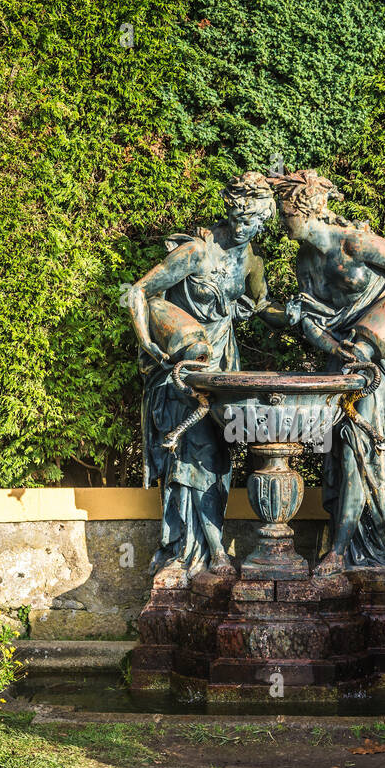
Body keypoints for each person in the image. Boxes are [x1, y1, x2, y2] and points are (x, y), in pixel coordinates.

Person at [270, 169, 385, 577]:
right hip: (342, 359)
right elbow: (312, 321)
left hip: (378, 357)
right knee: (341, 454)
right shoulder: (303, 260)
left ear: (308, 209)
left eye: (286, 212)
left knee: (361, 449)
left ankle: (346, 551)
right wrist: (323, 340)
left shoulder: (355, 242)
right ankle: (343, 544)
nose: (281, 220)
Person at [126, 172, 276, 584]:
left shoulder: (252, 260)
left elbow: (263, 307)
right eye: (245, 219)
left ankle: (210, 547)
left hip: (225, 365)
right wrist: (153, 344)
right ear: (231, 210)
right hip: (185, 369)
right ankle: (193, 551)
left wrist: (306, 321)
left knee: (219, 458)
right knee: (191, 456)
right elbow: (140, 292)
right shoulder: (195, 251)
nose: (250, 229)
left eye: (259, 223)